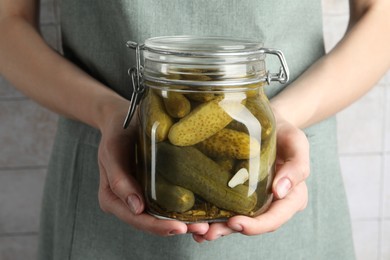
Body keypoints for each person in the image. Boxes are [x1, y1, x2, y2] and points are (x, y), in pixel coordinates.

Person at [0, 0, 389, 259]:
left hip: (287, 165)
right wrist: (111, 114)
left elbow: (380, 15)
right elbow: (7, 21)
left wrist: (280, 119)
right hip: (108, 163)